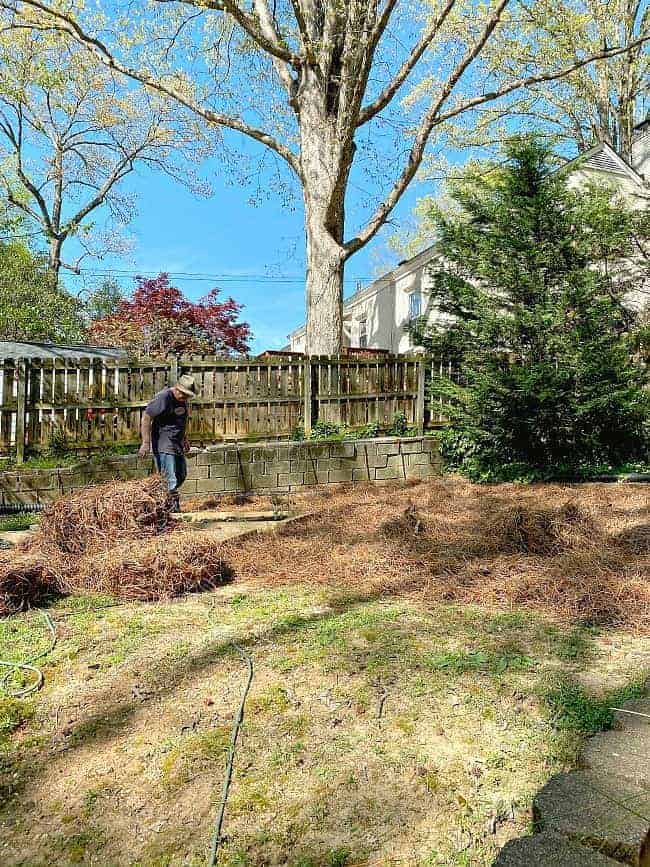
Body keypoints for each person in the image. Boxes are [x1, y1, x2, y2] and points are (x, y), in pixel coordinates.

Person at [139, 374, 198, 509]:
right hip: (163, 443)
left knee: (181, 474)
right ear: (177, 389)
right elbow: (146, 417)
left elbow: (181, 420)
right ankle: (171, 508)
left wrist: (185, 438)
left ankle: (160, 499)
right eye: (184, 394)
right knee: (169, 478)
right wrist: (146, 443)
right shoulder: (163, 397)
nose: (185, 398)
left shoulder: (182, 400)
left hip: (176, 442)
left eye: (187, 395)